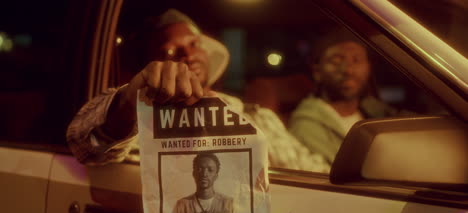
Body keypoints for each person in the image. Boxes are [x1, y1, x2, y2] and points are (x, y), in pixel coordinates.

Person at [66, 9, 330, 173]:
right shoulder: (142, 118)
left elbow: (310, 168)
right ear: (152, 63)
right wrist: (130, 98)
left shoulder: (255, 115)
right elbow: (86, 145)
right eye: (170, 50)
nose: (188, 54)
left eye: (194, 43)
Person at [289, 34, 400, 165]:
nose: (348, 70)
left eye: (356, 60)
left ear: (369, 68)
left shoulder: (379, 113)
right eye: (336, 61)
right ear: (317, 72)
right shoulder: (307, 126)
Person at [169, 153, 235, 213]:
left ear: (216, 176)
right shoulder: (181, 206)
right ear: (194, 173)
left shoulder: (229, 204)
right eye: (200, 169)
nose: (204, 174)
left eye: (210, 170)